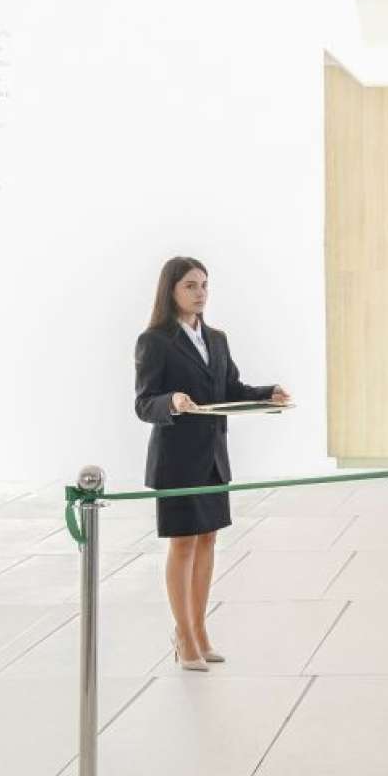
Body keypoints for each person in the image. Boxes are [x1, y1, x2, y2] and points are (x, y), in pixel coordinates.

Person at [133, 256, 289, 671]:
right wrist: (173, 401)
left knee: (207, 542)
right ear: (171, 291)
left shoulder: (217, 339)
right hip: (177, 461)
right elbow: (144, 403)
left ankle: (200, 630)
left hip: (214, 458)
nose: (200, 293)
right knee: (183, 544)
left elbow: (230, 388)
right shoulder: (155, 341)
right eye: (190, 285)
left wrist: (267, 394)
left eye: (204, 285)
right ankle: (184, 636)